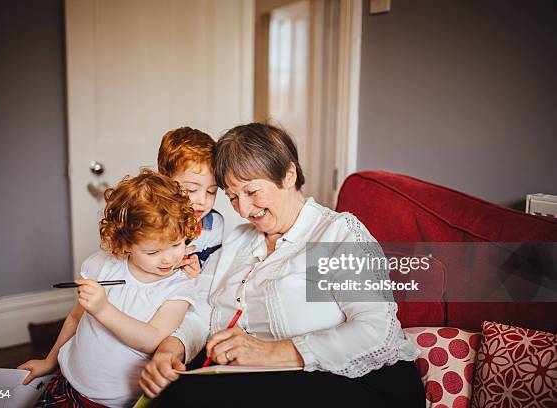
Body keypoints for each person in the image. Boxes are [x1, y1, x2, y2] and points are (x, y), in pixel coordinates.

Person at [138, 123, 425, 407]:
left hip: (359, 382)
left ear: (289, 175)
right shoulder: (238, 241)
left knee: (192, 398)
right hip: (268, 380)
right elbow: (202, 311)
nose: (244, 210)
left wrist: (269, 353)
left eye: (252, 192)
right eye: (233, 197)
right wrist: (169, 350)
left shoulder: (335, 234)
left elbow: (377, 331)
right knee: (177, 393)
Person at [19, 169, 199, 408]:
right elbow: (75, 317)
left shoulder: (178, 287)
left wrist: (103, 309)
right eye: (153, 252)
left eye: (176, 244)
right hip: (66, 382)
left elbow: (153, 338)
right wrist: (50, 361)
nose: (168, 259)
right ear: (126, 243)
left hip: (112, 403)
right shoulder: (102, 265)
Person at [158, 127, 224, 269]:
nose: (202, 201)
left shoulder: (212, 225)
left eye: (211, 191)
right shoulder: (149, 218)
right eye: (191, 190)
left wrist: (197, 270)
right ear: (165, 180)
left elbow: (209, 272)